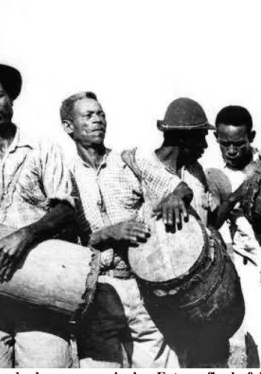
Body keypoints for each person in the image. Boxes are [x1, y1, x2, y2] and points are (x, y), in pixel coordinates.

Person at [0, 57, 77, 368]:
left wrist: (26, 234)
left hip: (41, 287)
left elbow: (66, 209)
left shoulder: (43, 147)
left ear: (11, 99)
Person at [60, 91, 191, 368]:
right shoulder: (63, 172)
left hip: (142, 286)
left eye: (101, 114)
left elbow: (179, 187)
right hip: (94, 290)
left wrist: (174, 197)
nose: (98, 120)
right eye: (88, 115)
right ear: (68, 127)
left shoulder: (129, 160)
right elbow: (63, 240)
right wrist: (108, 233)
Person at [208, 105, 261, 367]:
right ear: (216, 140)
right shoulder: (218, 177)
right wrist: (235, 196)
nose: (231, 150)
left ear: (251, 137)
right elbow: (214, 221)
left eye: (238, 144)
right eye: (225, 144)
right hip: (254, 271)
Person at [150, 97, 230, 367]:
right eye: (201, 139)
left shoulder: (196, 171)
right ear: (183, 139)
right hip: (168, 295)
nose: (206, 147)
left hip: (206, 291)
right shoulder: (147, 171)